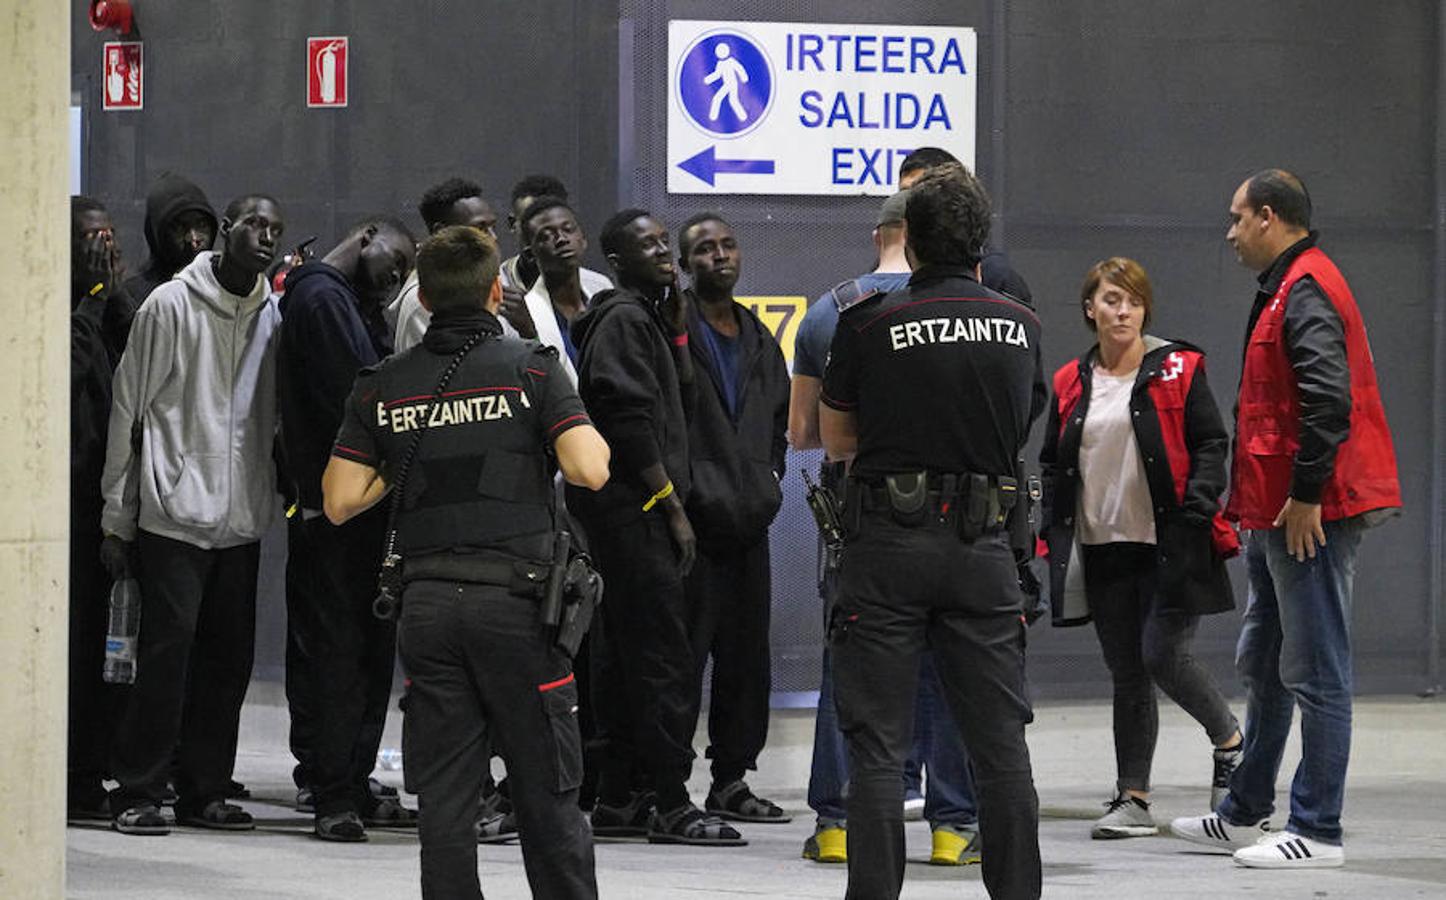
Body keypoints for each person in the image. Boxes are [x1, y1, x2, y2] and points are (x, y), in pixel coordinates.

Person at [322, 225, 608, 899]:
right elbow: (589, 469)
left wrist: (414, 454)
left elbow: (338, 500)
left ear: (421, 294)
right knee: (547, 798)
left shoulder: (383, 384)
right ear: (495, 291)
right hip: (517, 614)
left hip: (425, 612)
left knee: (446, 808)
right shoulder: (533, 367)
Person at [819, 165, 1044, 899]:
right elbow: (1020, 424)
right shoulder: (1022, 327)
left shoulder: (865, 321)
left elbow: (836, 439)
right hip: (983, 549)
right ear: (980, 244)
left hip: (886, 548)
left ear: (907, 241)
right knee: (1000, 748)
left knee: (879, 752)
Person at [1172, 169, 1401, 868]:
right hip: (1278, 514)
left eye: (1238, 218)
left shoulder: (1306, 289)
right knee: (1265, 665)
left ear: (1270, 217)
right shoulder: (1286, 287)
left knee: (1316, 668)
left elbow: (1328, 402)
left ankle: (1318, 829)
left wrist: (1305, 497)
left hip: (1311, 516)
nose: (1232, 232)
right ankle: (1245, 813)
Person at [790, 189, 984, 867]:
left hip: (863, 514)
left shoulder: (833, 311)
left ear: (882, 235)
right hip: (957, 513)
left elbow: (803, 434)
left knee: (849, 665)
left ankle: (838, 825)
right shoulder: (972, 308)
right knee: (949, 666)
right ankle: (954, 827)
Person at [99, 194, 287, 835]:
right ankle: (138, 789)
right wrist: (117, 515)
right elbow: (129, 408)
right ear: (227, 231)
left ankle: (205, 789)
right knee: (164, 658)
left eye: (275, 229)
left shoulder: (273, 313)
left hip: (241, 519)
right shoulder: (168, 305)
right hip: (171, 513)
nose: (265, 236)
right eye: (254, 224)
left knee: (226, 661)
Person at [1039, 257, 1243, 839]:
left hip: (1171, 545)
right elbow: (1054, 460)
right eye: (1110, 299)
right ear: (1090, 309)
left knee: (1162, 655)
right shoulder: (1069, 381)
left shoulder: (1180, 366)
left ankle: (1230, 741)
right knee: (1127, 673)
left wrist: (1199, 508)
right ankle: (1133, 797)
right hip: (1103, 546)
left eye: (1132, 299)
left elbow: (1211, 442)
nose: (1122, 309)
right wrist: (1053, 525)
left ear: (1145, 308)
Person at [568, 209, 743, 846]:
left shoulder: (650, 320)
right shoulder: (618, 319)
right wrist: (671, 506)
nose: (662, 252)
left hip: (637, 516)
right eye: (645, 246)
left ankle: (619, 798)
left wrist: (675, 339)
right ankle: (671, 802)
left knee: (628, 658)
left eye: (661, 241)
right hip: (635, 516)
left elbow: (681, 405)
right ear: (616, 260)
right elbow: (626, 417)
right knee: (664, 660)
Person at [279, 216, 418, 841]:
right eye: (397, 258)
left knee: (364, 654)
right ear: (366, 234)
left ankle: (348, 783)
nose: (398, 276)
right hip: (337, 512)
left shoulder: (343, 301)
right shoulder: (320, 295)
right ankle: (335, 792)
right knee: (340, 655)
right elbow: (362, 401)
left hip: (359, 511)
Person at [675, 214, 791, 824]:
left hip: (749, 526)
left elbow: (779, 425)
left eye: (726, 245)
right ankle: (668, 787)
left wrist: (769, 480)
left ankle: (731, 781)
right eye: (703, 249)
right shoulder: (674, 329)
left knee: (746, 663)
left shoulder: (759, 336)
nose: (719, 256)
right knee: (683, 661)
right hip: (689, 530)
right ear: (684, 263)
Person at [68, 196, 136, 820]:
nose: (104, 251)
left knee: (104, 654)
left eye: (111, 239)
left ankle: (95, 768)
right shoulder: (53, 310)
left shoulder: (115, 308)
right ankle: (69, 777)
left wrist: (108, 296)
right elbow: (68, 371)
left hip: (107, 505)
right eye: (93, 241)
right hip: (59, 516)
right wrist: (90, 297)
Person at [897, 147, 1032, 306]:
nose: (909, 203)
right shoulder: (892, 262)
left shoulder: (997, 276)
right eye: (903, 195)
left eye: (920, 192)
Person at [392, 177, 500, 351]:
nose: (493, 238)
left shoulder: (488, 281)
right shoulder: (421, 298)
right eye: (480, 229)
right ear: (440, 232)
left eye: (493, 227)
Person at [516, 195, 613, 384]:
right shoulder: (525, 314)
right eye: (546, 236)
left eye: (568, 230)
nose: (561, 239)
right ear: (530, 254)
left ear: (583, 239)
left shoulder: (602, 289)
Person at [122, 172, 218, 306]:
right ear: (156, 236)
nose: (193, 239)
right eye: (179, 228)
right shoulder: (132, 297)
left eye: (202, 225)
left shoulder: (224, 289)